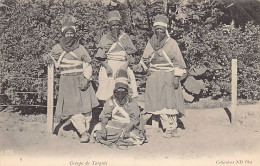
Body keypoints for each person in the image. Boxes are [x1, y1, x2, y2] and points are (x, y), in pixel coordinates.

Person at [43, 15, 99, 143]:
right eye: (66, 33)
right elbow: (51, 58)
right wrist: (47, 57)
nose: (69, 36)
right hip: (66, 82)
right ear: (63, 34)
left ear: (74, 34)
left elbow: (88, 65)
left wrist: (86, 79)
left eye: (71, 33)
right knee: (73, 109)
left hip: (81, 80)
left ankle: (87, 128)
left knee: (86, 108)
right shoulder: (57, 48)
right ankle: (83, 133)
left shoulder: (80, 48)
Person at [134, 14, 187, 138]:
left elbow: (178, 62)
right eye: (156, 29)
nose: (159, 32)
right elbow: (145, 60)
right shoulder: (150, 44)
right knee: (159, 102)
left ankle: (173, 127)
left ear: (166, 30)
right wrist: (140, 66)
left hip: (169, 76)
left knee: (171, 102)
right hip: (154, 77)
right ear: (154, 30)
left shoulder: (172, 43)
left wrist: (176, 78)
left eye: (161, 29)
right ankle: (167, 127)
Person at [92, 69, 145, 147]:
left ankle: (119, 138)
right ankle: (121, 139)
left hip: (128, 125)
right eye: (118, 91)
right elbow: (105, 116)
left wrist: (127, 130)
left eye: (123, 90)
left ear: (126, 90)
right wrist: (103, 128)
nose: (120, 93)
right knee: (97, 129)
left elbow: (135, 119)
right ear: (114, 90)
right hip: (114, 124)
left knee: (136, 136)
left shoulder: (131, 102)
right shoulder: (111, 100)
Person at [95, 10, 138, 101]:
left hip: (123, 65)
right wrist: (107, 67)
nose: (115, 27)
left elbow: (130, 54)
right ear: (110, 27)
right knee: (108, 90)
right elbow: (100, 57)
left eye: (117, 25)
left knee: (125, 86)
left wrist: (125, 66)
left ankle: (124, 110)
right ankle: (108, 110)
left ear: (120, 26)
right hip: (109, 66)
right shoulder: (105, 38)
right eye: (113, 25)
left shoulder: (125, 37)